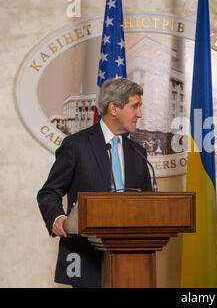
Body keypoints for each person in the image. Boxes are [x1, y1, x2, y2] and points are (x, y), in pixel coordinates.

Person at [37, 78, 152, 287]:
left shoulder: (138, 153)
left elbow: (148, 203)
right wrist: (58, 218)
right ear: (114, 108)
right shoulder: (76, 145)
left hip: (132, 262)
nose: (139, 114)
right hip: (86, 258)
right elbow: (49, 192)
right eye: (135, 106)